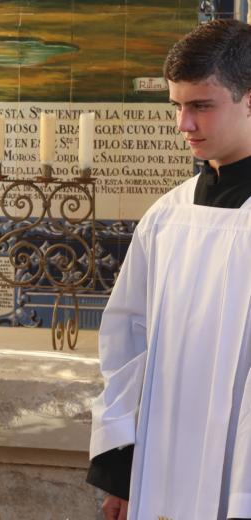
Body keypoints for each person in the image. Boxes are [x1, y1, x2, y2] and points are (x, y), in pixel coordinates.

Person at [87, 19, 251, 520]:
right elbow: (126, 344)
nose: (184, 125)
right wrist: (123, 476)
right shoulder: (167, 216)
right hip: (161, 472)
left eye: (201, 105)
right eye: (177, 106)